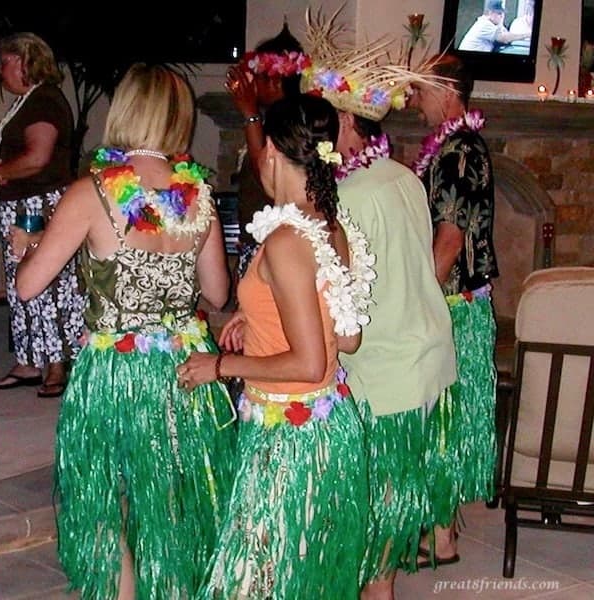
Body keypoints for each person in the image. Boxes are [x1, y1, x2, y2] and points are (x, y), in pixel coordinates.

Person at [14, 63, 237, 599]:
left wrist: (26, 247)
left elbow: (27, 287)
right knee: (174, 501)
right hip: (185, 370)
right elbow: (218, 295)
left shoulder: (90, 193)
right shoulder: (197, 194)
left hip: (116, 371)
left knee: (110, 502)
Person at [182, 93, 375, 599]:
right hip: (323, 427)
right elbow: (348, 337)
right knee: (297, 576)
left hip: (288, 437)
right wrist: (257, 315)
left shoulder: (290, 239)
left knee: (254, 581)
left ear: (267, 148)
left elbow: (310, 362)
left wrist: (219, 365)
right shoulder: (328, 226)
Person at [300, 17, 457, 599]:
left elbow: (343, 306)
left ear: (345, 118)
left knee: (373, 513)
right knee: (391, 503)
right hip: (420, 359)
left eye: (323, 109)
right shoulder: (403, 177)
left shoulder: (349, 195)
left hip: (384, 371)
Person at [409, 52, 500, 570]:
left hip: (452, 307)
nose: (415, 99)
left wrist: (420, 303)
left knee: (443, 420)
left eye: (421, 88)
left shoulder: (460, 151)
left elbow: (449, 238)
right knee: (444, 420)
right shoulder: (453, 147)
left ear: (446, 88)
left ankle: (441, 539)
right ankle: (439, 533)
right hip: (458, 303)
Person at [0, 32, 84, 398]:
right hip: (21, 203)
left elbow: (38, 157)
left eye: (5, 62)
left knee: (51, 283)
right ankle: (29, 359)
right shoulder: (29, 100)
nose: (0, 70)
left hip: (41, 205)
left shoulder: (44, 101)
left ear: (25, 62)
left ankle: (57, 364)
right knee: (22, 284)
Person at [224, 21, 309, 278]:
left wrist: (249, 113)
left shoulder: (292, 120)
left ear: (276, 81)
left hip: (274, 240)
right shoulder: (273, 117)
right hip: (258, 236)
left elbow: (266, 174)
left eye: (258, 77)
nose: (252, 83)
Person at [458, 0, 529, 53]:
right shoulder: (484, 24)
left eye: (502, 13)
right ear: (490, 12)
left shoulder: (493, 24)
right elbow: (504, 38)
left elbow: (506, 35)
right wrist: (527, 35)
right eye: (499, 13)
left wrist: (500, 24)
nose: (501, 16)